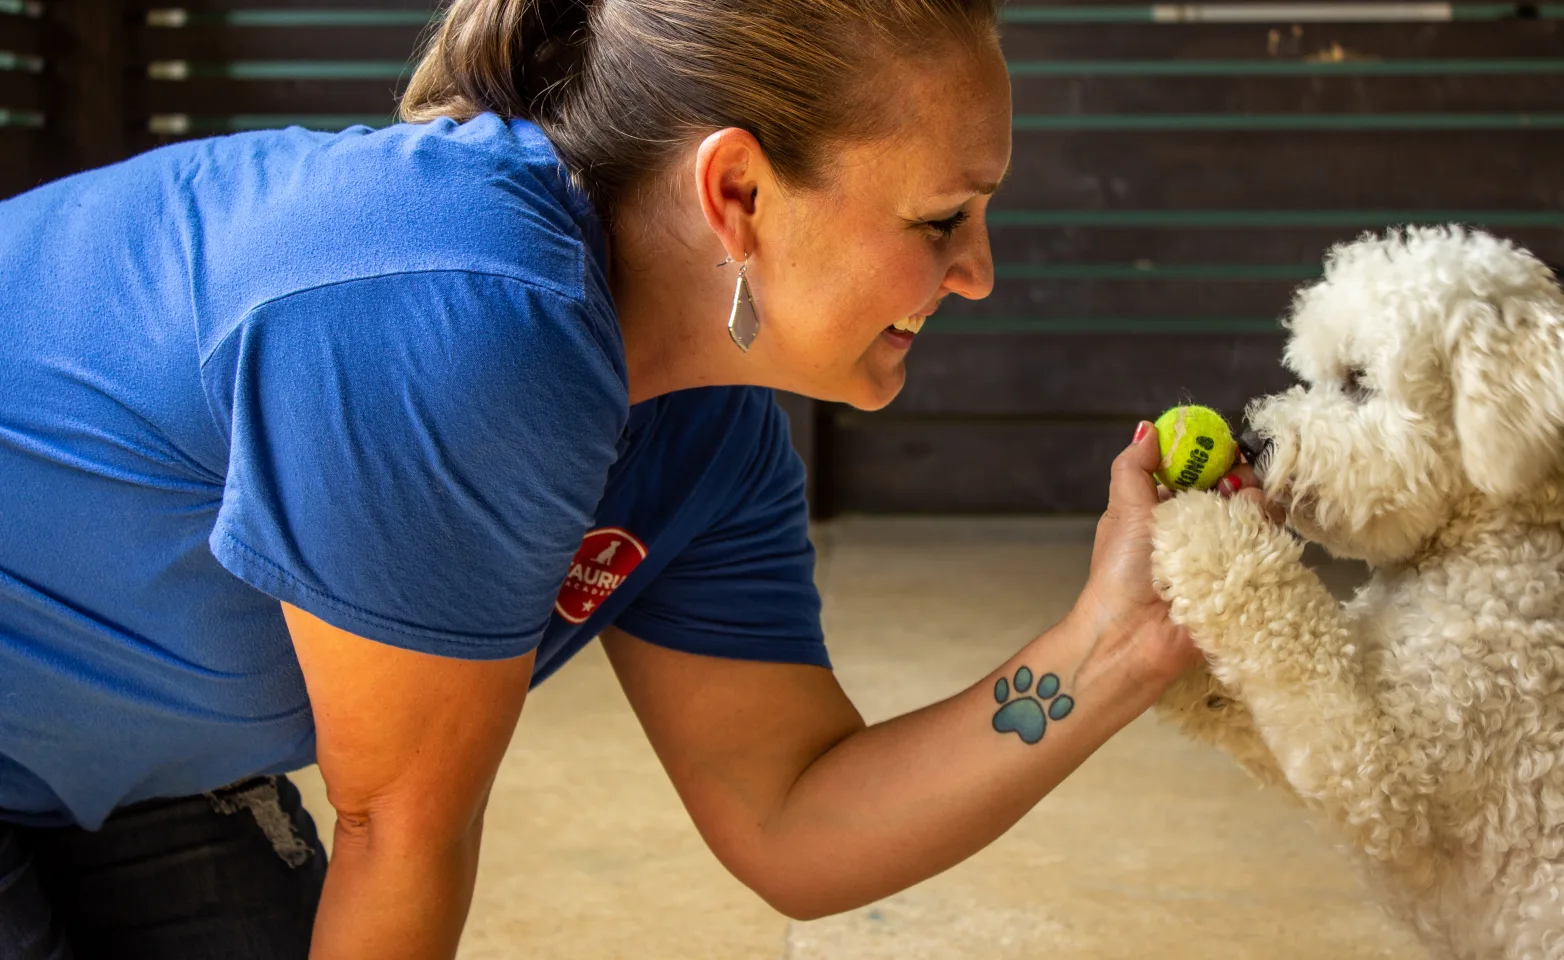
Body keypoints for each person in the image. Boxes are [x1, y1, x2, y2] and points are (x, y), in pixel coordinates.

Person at [0, 0, 1257, 957]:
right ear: (736, 192)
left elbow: (795, 820)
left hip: (116, 774)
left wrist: (1119, 642)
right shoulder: (469, 309)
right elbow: (398, 835)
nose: (977, 271)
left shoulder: (708, 437)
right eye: (941, 220)